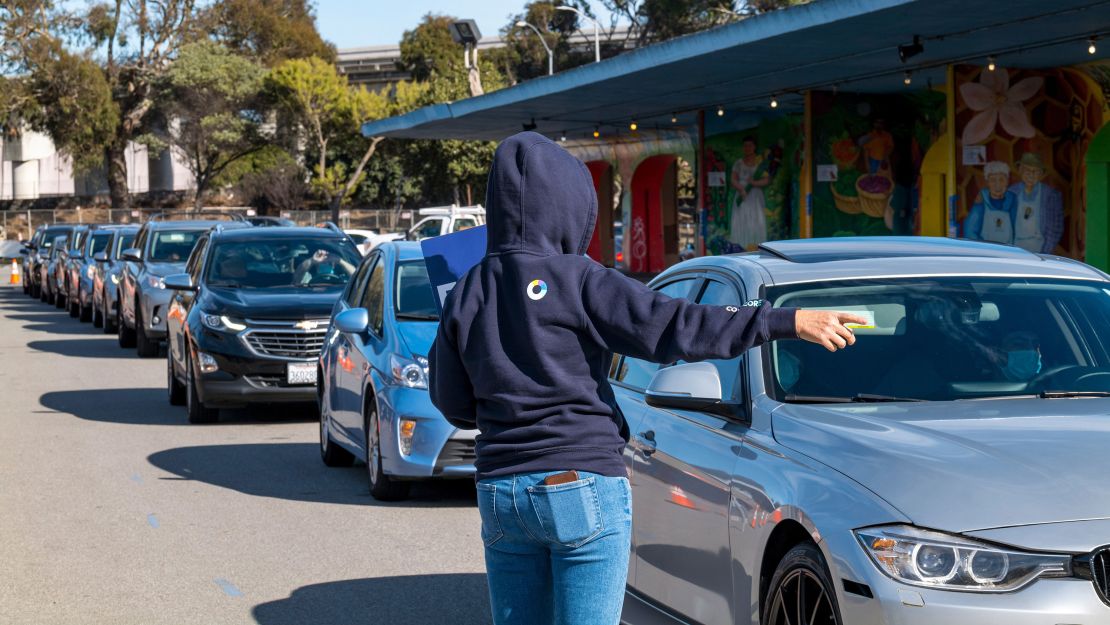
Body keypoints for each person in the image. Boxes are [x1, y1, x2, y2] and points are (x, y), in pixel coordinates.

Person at [428, 131, 865, 625]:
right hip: (579, 478)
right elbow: (681, 325)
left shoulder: (466, 291)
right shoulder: (582, 280)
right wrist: (782, 321)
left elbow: (451, 400)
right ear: (569, 204)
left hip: (501, 489)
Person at [1008, 152, 1063, 254]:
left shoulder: (1051, 195)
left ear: (1041, 173)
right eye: (1027, 170)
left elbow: (1055, 227)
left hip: (1040, 250)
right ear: (1020, 170)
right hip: (1014, 249)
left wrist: (1045, 253)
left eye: (1036, 171)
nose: (1031, 175)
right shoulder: (1011, 192)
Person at [729, 136, 769, 250]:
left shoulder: (760, 163)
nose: (747, 148)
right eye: (745, 146)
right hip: (742, 194)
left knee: (755, 219)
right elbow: (733, 179)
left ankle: (757, 245)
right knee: (742, 218)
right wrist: (741, 189)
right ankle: (740, 244)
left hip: (755, 196)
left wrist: (754, 183)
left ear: (754, 147)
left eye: (750, 145)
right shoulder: (738, 163)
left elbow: (767, 180)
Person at [963, 161, 1017, 244]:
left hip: (1008, 252)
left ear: (1007, 182)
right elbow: (970, 231)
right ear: (987, 182)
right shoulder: (981, 200)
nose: (997, 184)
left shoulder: (1013, 200)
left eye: (1001, 179)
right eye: (993, 180)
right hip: (987, 252)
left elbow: (1018, 229)